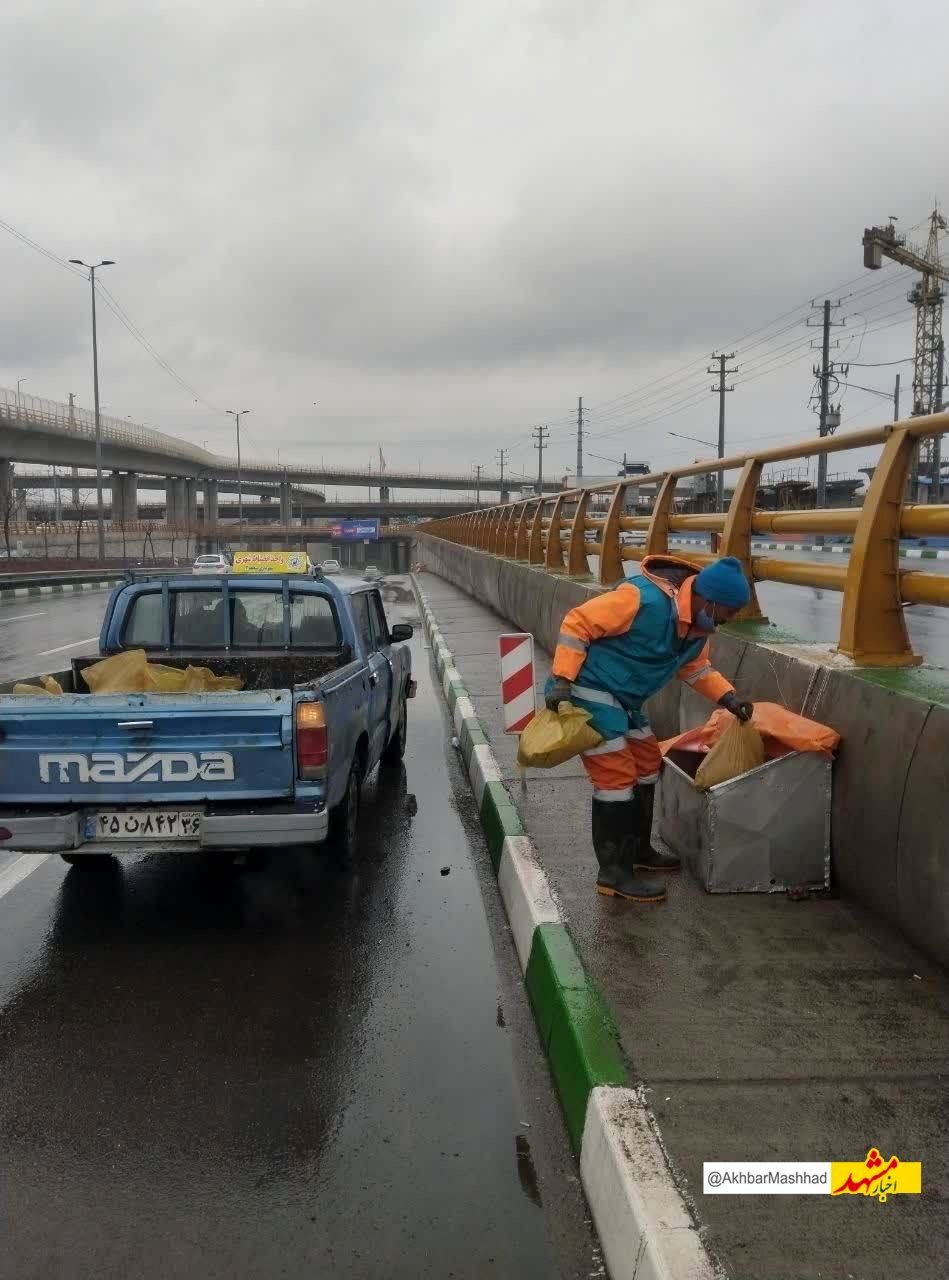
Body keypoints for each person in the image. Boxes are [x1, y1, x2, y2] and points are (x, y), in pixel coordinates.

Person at [545, 554, 753, 905]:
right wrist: (563, 679)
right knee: (616, 778)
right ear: (710, 599)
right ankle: (614, 872)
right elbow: (578, 623)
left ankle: (637, 849)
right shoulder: (642, 599)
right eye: (728, 612)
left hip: (625, 699)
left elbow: (695, 669)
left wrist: (728, 698)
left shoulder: (697, 628)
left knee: (647, 764)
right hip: (589, 691)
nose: (727, 620)